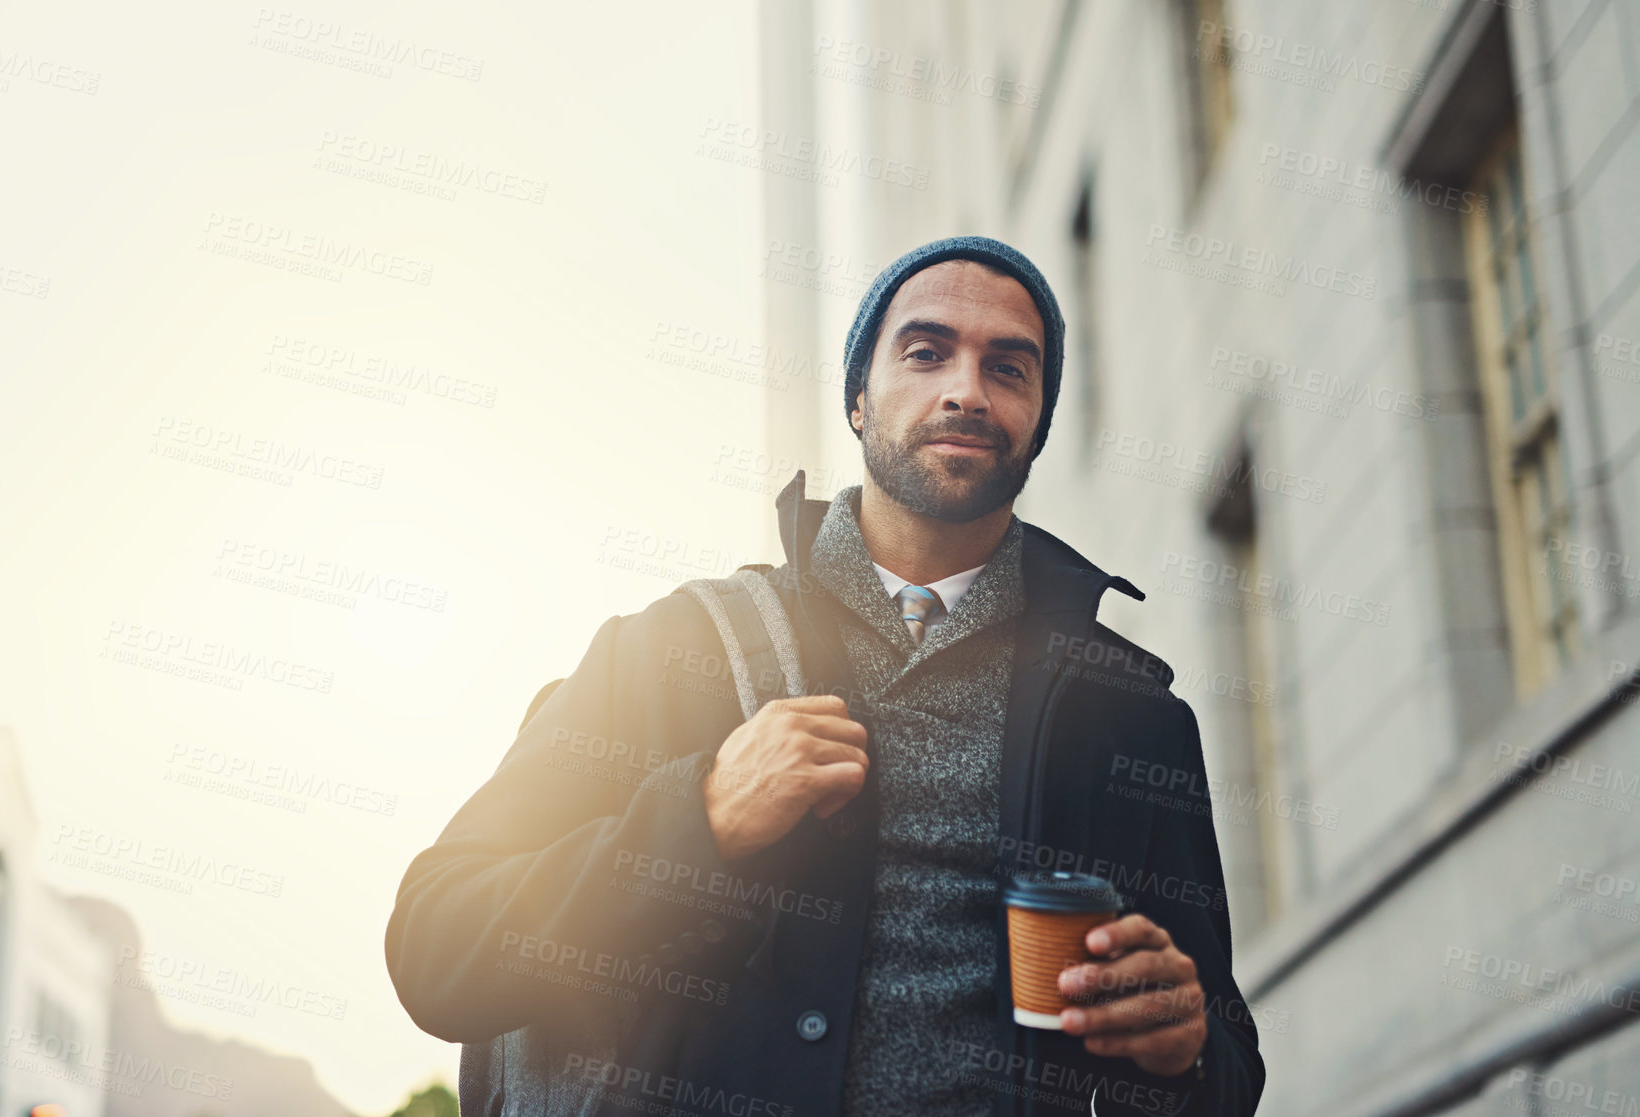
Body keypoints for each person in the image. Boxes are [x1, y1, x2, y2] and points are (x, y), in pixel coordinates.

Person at [386, 235, 1266, 1116]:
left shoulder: (1132, 718)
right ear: (857, 397)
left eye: (1009, 367)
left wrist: (1182, 1052)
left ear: (1036, 418)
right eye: (925, 354)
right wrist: (700, 819)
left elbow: (1227, 1074)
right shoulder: (671, 649)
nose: (965, 390)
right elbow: (437, 949)